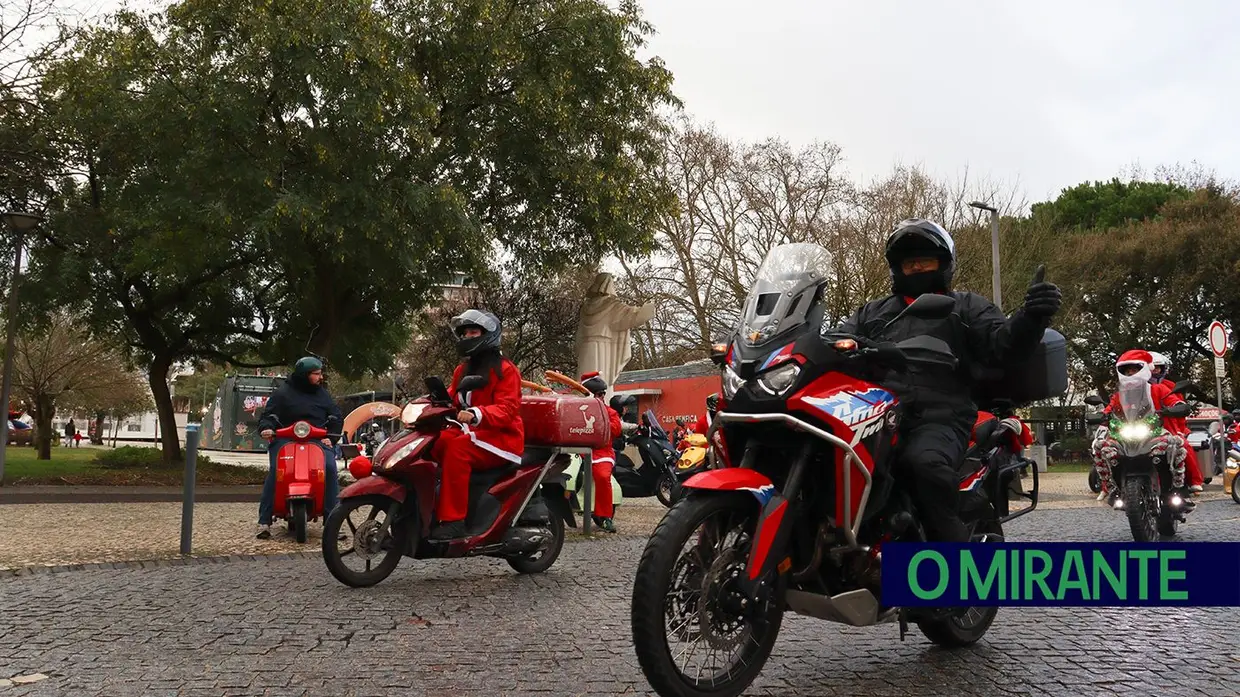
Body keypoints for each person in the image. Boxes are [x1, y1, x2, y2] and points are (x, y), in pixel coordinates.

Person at [836, 218, 1061, 543]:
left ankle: (954, 566)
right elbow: (836, 339)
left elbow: (1004, 345)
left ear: (943, 264)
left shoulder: (966, 306)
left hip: (940, 415)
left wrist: (1032, 319)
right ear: (896, 268)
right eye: (909, 262)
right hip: (874, 415)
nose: (916, 267)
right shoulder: (872, 313)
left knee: (922, 463)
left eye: (924, 260)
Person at [428, 309, 524, 541]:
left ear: (488, 334)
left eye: (474, 331)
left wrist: (476, 413)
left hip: (501, 437)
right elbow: (450, 398)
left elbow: (508, 409)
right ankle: (426, 510)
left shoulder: (505, 370)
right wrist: (424, 405)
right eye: (465, 333)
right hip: (472, 434)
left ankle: (454, 521)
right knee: (433, 443)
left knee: (457, 449)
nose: (468, 337)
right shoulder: (462, 370)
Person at [255, 357, 344, 540]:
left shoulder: (323, 394)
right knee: (276, 471)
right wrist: (267, 428)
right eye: (316, 374)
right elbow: (269, 415)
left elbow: (335, 416)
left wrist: (331, 437)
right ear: (305, 375)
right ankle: (264, 521)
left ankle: (332, 522)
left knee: (329, 468)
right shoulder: (282, 393)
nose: (320, 378)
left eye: (320, 374)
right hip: (285, 439)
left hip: (317, 440)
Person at [1091, 350, 1190, 505]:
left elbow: (1172, 400)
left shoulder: (1158, 389)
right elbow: (1109, 409)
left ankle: (1178, 488)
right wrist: (1101, 415)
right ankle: (1113, 488)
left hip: (1154, 431)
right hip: (1126, 434)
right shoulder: (1119, 395)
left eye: (1134, 370)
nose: (1131, 373)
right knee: (1100, 446)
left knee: (1175, 444)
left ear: (1144, 370)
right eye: (1127, 371)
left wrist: (1177, 406)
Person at [1148, 351, 1204, 493]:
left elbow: (1178, 405)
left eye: (1158, 367)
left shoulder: (1169, 386)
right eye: (1151, 367)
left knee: (1184, 446)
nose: (1154, 370)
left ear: (1163, 369)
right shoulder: (1135, 387)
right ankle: (1110, 486)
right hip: (1141, 427)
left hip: (1168, 425)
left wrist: (1180, 428)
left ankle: (1195, 481)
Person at [581, 371, 623, 533]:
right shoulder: (579, 408)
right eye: (599, 394)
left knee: (603, 477)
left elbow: (616, 429)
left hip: (602, 453)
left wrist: (600, 421)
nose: (602, 397)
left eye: (603, 393)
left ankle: (605, 516)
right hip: (579, 450)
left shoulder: (610, 412)